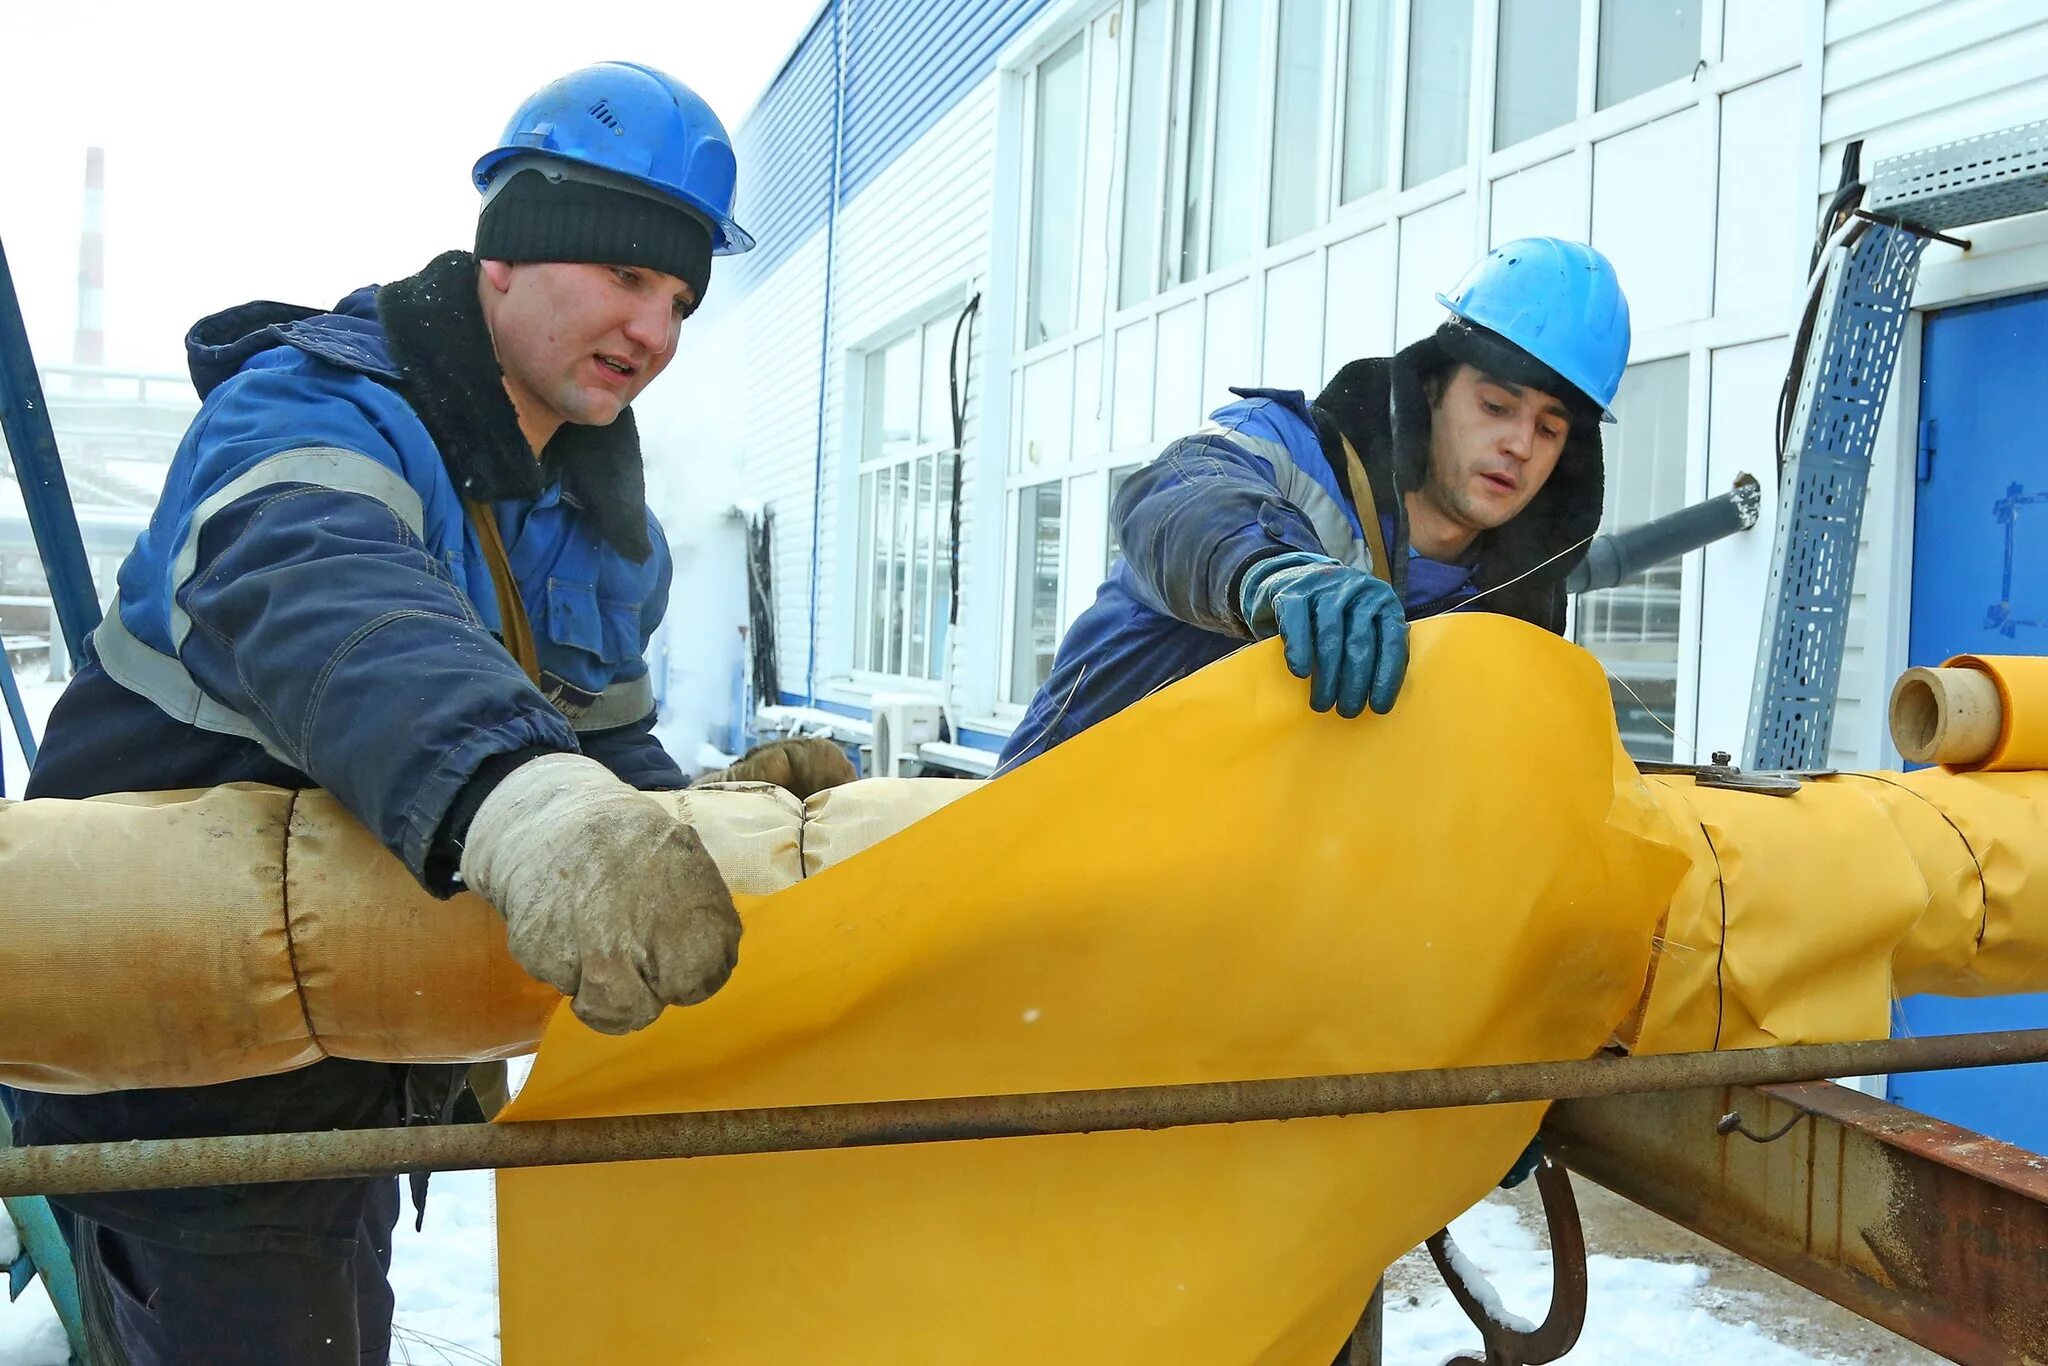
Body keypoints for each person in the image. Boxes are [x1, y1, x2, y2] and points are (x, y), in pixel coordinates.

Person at [5, 62, 753, 1364]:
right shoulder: (312, 405)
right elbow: (329, 598)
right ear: (508, 254)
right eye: (628, 274)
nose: (656, 327)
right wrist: (524, 796)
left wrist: (718, 823)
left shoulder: (596, 526)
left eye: (680, 295)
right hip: (186, 1069)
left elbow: (612, 755)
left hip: (360, 1041)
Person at [999, 237, 1630, 771]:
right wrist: (1270, 571)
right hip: (1043, 842)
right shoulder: (1287, 452)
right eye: (1496, 406)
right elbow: (1177, 493)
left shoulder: (1512, 616)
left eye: (1549, 429)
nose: (1519, 444)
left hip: (1246, 897)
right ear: (1430, 390)